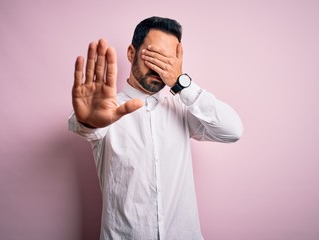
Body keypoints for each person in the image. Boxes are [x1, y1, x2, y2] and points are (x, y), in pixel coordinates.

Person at [69, 16, 243, 240]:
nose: (158, 67)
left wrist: (181, 83)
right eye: (152, 55)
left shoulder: (184, 108)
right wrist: (88, 121)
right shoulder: (107, 110)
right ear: (132, 53)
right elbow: (85, 126)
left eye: (167, 60)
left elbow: (232, 130)